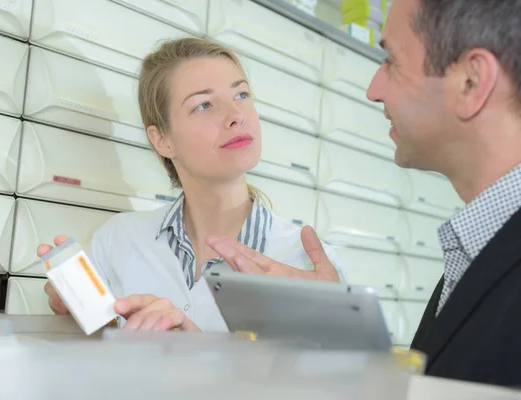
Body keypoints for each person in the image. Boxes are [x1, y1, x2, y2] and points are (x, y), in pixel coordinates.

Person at [209, 0, 521, 387]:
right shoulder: (478, 244)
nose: (373, 89)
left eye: (391, 60)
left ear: (471, 82)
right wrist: (338, 331)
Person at [38, 37, 345, 333]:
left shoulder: (307, 262)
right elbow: (98, 366)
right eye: (204, 105)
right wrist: (80, 310)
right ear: (162, 140)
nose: (236, 115)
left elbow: (329, 382)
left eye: (241, 95)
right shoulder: (116, 241)